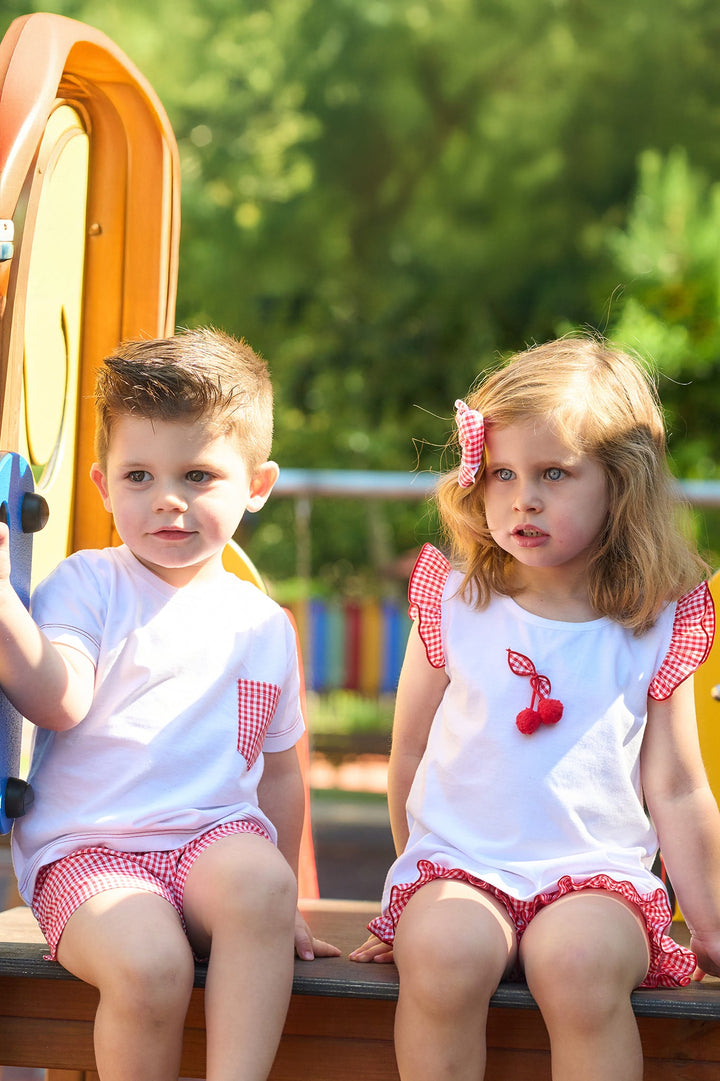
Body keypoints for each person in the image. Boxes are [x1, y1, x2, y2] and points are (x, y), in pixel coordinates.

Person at [350, 336, 720, 1081]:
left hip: (595, 876)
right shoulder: (456, 603)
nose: (524, 498)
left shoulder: (650, 622)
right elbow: (411, 754)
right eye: (502, 473)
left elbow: (677, 785)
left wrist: (711, 924)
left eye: (555, 473)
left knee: (579, 964)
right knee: (447, 953)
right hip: (460, 866)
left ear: (621, 484)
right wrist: (415, 882)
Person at [7, 327, 339, 1081]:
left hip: (208, 845)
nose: (167, 501)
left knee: (261, 884)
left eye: (197, 475)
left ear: (256, 485)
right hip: (90, 851)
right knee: (152, 962)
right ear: (101, 485)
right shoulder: (91, 583)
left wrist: (282, 900)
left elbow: (282, 774)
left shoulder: (261, 624)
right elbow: (58, 699)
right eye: (138, 477)